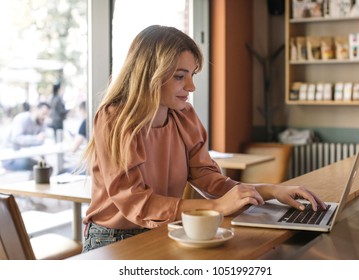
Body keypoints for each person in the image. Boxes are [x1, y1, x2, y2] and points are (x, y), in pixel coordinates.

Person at [81, 25, 327, 252]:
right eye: (180, 76)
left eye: (192, 75)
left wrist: (269, 191)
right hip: (113, 239)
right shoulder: (114, 118)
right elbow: (137, 203)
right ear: (149, 75)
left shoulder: (183, 114)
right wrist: (216, 207)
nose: (191, 87)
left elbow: (208, 179)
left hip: (166, 229)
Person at [2, 102, 51, 171]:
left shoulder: (41, 121)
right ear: (35, 110)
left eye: (47, 115)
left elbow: (41, 140)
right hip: (10, 159)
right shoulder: (22, 118)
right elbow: (16, 138)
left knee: (47, 168)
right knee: (41, 169)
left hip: (24, 156)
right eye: (43, 113)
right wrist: (36, 138)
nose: (44, 117)